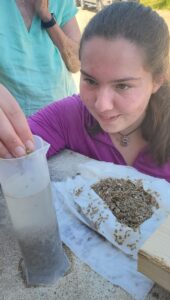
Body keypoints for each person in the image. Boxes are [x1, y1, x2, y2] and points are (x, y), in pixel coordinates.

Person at [0, 2, 170, 182]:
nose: (101, 105)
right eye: (90, 80)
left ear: (157, 80)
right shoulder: (71, 116)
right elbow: (15, 150)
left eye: (123, 86)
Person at [0, 0, 81, 115]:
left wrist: (47, 18)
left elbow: (76, 64)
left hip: (62, 115)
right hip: (14, 121)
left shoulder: (60, 2)